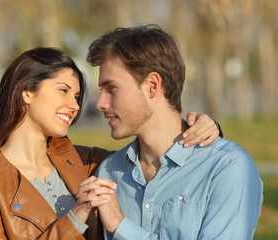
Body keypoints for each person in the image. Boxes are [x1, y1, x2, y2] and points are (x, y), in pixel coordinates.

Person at [0, 47, 220, 240]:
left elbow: (155, 156)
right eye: (63, 90)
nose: (74, 105)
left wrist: (205, 128)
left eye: (78, 95)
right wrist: (75, 216)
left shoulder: (88, 162)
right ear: (27, 92)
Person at [86, 24, 263, 239]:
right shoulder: (109, 172)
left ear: (152, 85)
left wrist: (121, 226)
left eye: (111, 88)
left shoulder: (226, 167)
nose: (100, 103)